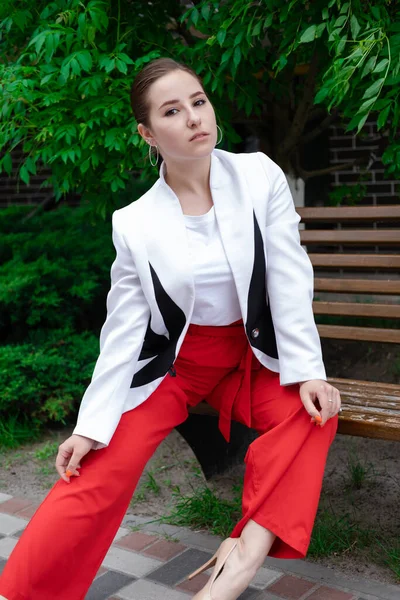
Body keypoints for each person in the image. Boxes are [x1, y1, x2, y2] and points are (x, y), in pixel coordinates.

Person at [0, 57, 341, 600]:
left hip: (250, 360)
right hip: (176, 368)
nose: (193, 118)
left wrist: (307, 371)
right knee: (94, 472)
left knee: (315, 409)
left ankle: (240, 562)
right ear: (147, 133)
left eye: (198, 102)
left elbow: (288, 274)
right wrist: (91, 424)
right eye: (172, 111)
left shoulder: (258, 175)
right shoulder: (135, 221)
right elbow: (124, 326)